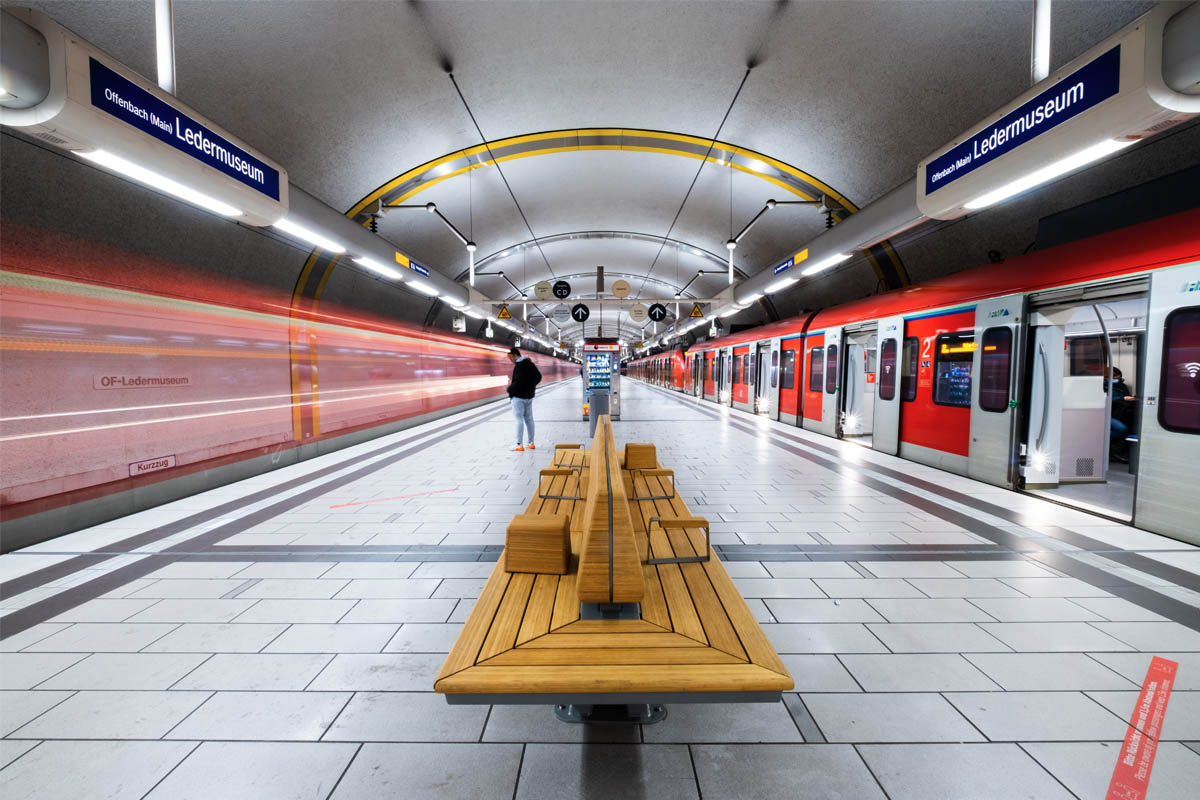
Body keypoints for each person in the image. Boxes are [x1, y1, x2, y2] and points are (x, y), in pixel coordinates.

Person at [506, 347, 541, 452]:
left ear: (515, 355)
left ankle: (519, 444)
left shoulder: (519, 366)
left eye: (511, 357)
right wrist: (531, 387)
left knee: (519, 420)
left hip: (518, 398)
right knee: (529, 419)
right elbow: (538, 377)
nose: (510, 360)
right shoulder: (530, 364)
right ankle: (531, 443)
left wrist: (510, 389)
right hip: (529, 397)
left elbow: (519, 382)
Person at [1110, 367, 1136, 462]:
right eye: (1112, 376)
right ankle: (1102, 444)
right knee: (1122, 429)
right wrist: (1123, 398)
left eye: (1117, 375)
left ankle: (1124, 453)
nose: (1115, 378)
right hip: (1107, 414)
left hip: (1120, 412)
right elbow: (1108, 399)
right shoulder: (1104, 385)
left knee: (1134, 427)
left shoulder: (1122, 386)